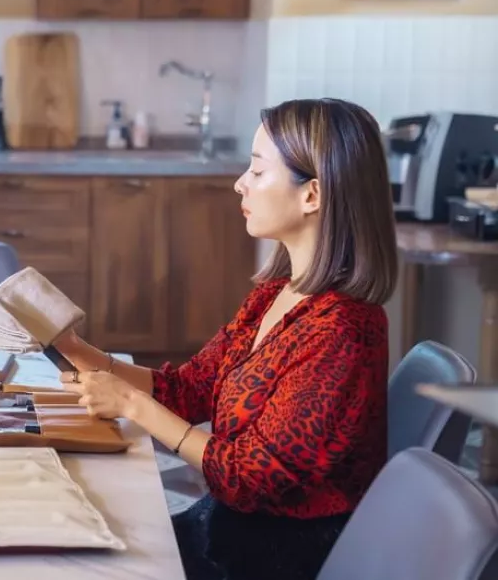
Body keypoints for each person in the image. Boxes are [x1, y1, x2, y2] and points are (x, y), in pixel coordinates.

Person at [57, 98, 397, 580]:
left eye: (258, 172)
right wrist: (73, 347)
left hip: (275, 556)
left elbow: (248, 479)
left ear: (312, 195)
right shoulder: (277, 295)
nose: (240, 182)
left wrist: (133, 406)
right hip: (229, 528)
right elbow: (190, 389)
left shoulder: (342, 331)